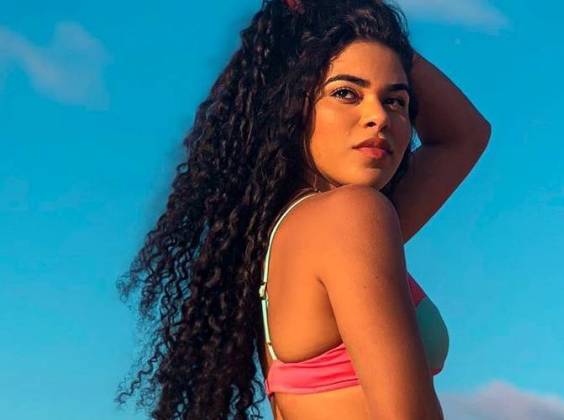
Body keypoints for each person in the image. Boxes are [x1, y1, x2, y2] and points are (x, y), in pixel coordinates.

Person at [114, 0, 491, 419]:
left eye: (396, 101)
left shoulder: (291, 235)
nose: (378, 117)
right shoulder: (351, 217)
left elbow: (464, 136)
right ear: (293, 107)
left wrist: (346, 13)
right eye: (346, 93)